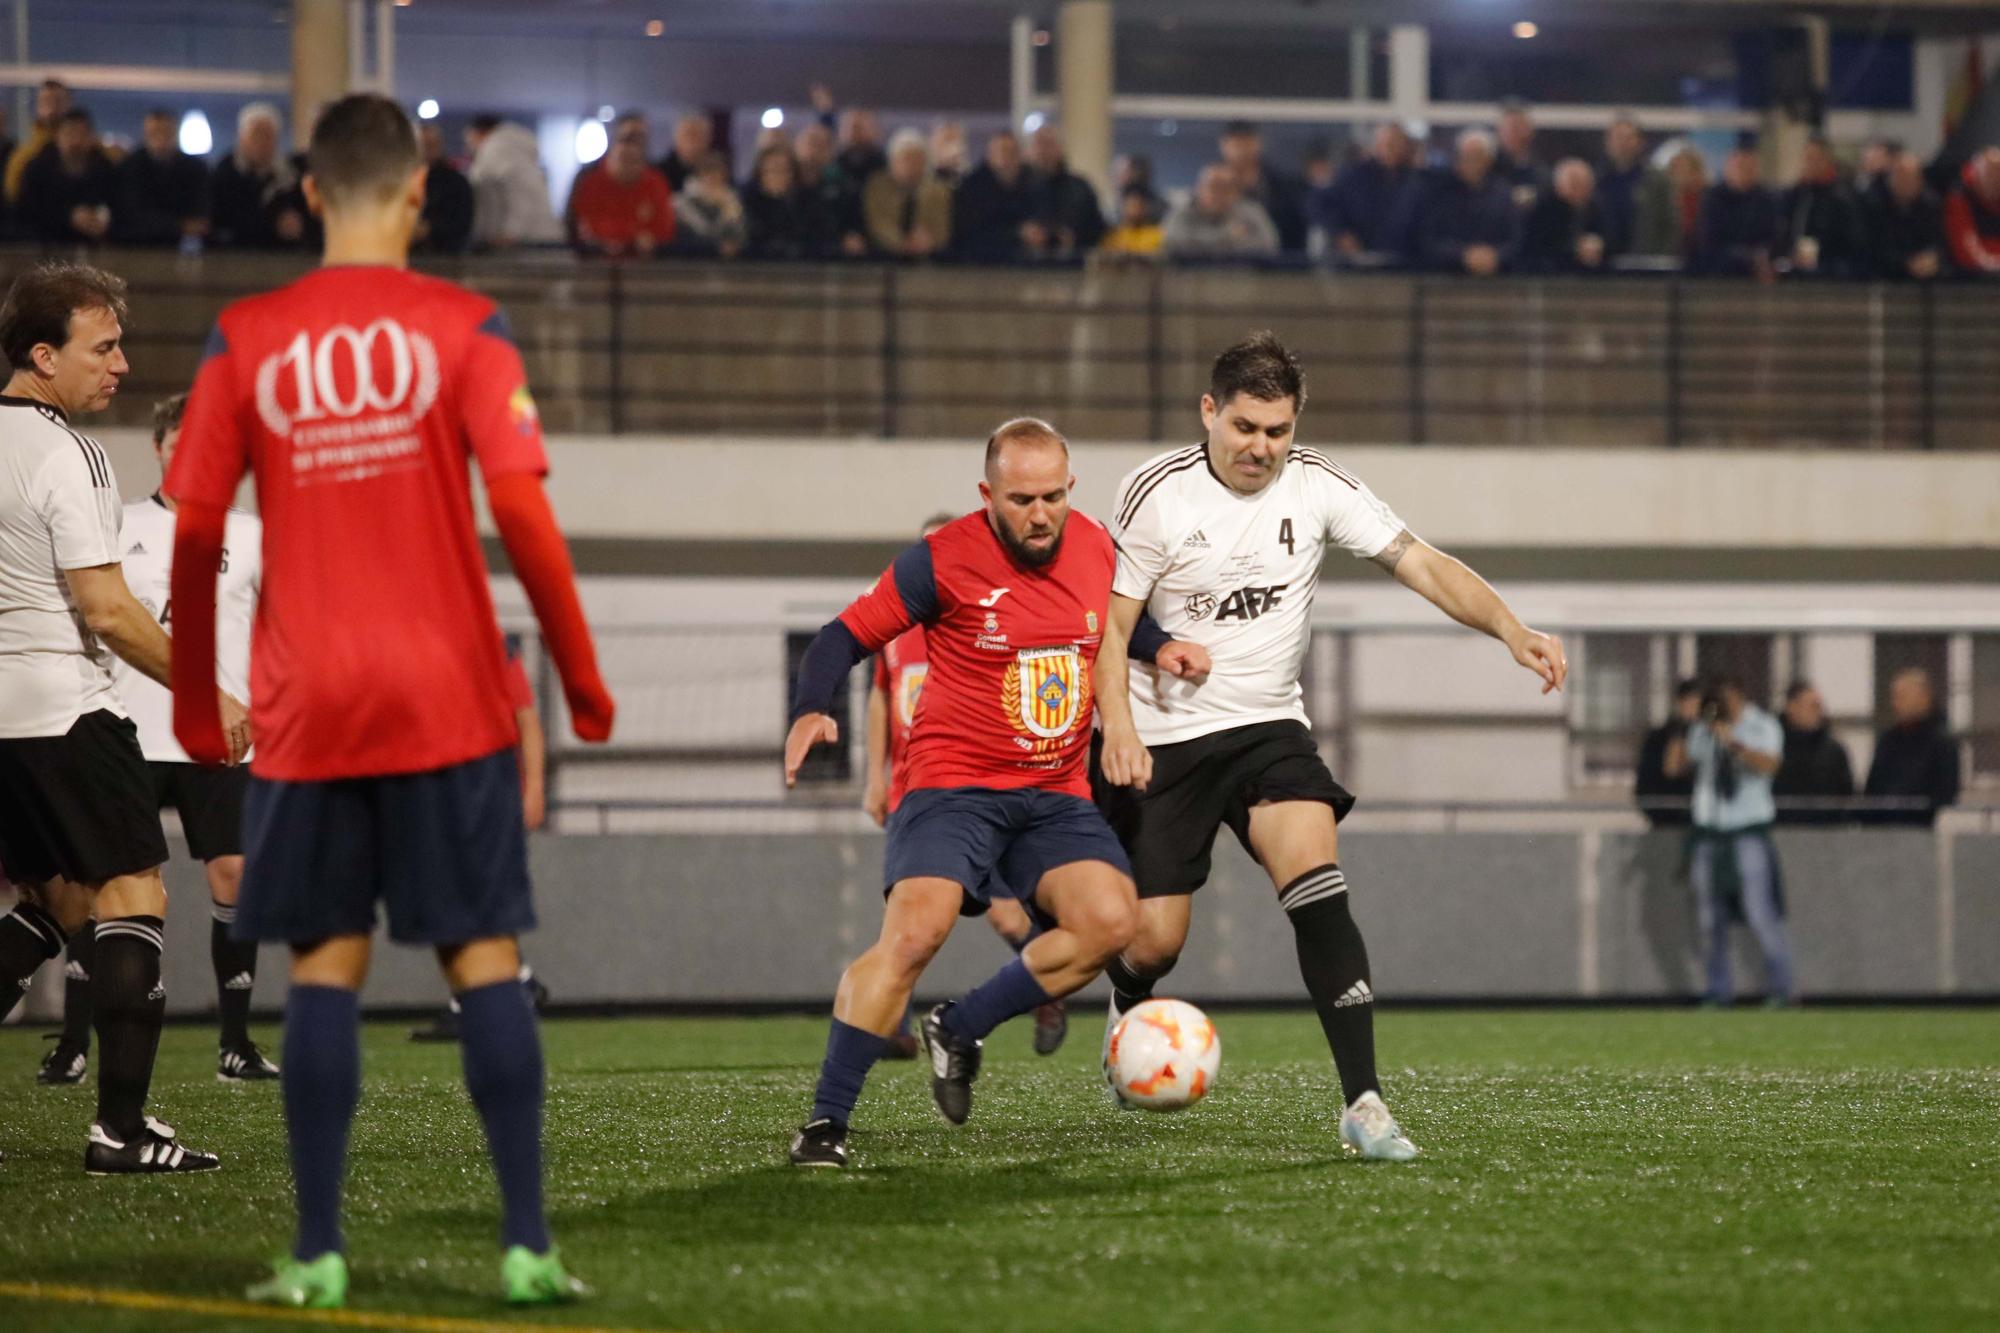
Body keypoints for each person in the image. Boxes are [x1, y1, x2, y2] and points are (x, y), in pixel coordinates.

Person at [164, 92, 614, 1309]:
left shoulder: (242, 336)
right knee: (482, 957)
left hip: (309, 708)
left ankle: (315, 1252)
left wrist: (202, 712)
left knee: (322, 964)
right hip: (445, 699)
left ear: (308, 193)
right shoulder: (467, 325)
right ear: (420, 191)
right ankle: (525, 1247)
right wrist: (578, 675)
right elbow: (522, 512)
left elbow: (196, 531)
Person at [1095, 332, 1568, 1162]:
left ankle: (1364, 1102)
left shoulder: (1316, 486)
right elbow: (1108, 628)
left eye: (1277, 430)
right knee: (1152, 942)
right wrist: (1122, 730)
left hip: (1270, 730)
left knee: (1318, 884)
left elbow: (1419, 561)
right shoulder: (1156, 494)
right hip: (1166, 739)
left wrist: (1510, 627)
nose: (1261, 448)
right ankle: (1128, 995)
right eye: (1245, 427)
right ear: (1209, 411)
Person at [781, 419, 1142, 1169]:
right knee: (914, 935)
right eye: (1020, 499)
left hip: (1053, 791)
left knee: (1112, 922)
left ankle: (961, 1025)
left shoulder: (1097, 544)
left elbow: (1119, 622)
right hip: (953, 785)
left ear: (1070, 489)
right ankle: (825, 1121)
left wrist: (1162, 643)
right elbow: (840, 635)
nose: (1040, 514)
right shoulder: (939, 561)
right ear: (986, 495)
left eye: (1052, 496)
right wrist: (812, 705)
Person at [0, 259, 248, 1174]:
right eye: (102, 348)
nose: (121, 365)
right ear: (41, 354)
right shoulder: (70, 454)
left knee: (50, 903)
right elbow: (105, 610)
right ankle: (122, 1129)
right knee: (133, 894)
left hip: (2, 722)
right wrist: (204, 691)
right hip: (65, 708)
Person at [37, 392, 277, 1090]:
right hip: (130, 726)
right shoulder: (121, 520)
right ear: (161, 447)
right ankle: (73, 1041)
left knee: (234, 873)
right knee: (100, 884)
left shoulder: (253, 533)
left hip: (223, 731)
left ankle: (234, 1042)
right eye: (182, 441)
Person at [408, 638, 553, 1043]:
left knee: (472, 893)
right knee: (458, 893)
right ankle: (506, 986)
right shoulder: (431, 649)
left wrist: (535, 788)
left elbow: (527, 722)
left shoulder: (493, 648)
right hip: (451, 789)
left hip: (491, 792)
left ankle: (491, 992)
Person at [1664, 676, 1793, 1007]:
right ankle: (1718, 990)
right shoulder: (1705, 727)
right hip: (1710, 832)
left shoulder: (1761, 725)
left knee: (1759, 911)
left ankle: (1781, 989)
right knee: (1709, 919)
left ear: (1737, 695)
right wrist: (1685, 724)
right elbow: (1674, 767)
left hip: (1748, 830)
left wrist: (1733, 742)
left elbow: (1770, 765)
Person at [1862, 668, 1959, 826]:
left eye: (1902, 696)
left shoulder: (1942, 744)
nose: (1895, 703)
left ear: (1924, 698)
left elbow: (1945, 794)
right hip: (1882, 831)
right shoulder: (1889, 740)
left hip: (1921, 829)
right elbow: (1872, 788)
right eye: (1894, 697)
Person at [1416, 128, 1518, 275]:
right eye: (1466, 156)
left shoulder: (1504, 194)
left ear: (1489, 159)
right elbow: (1429, 239)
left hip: (1497, 278)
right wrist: (1463, 255)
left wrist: (1495, 255)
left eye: (1477, 156)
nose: (1471, 162)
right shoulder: (1441, 194)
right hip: (1447, 278)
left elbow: (1514, 239)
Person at [568, 119, 674, 258]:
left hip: (644, 267)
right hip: (595, 263)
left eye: (634, 160)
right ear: (610, 158)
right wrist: (630, 235)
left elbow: (664, 228)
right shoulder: (589, 181)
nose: (627, 166)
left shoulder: (655, 183)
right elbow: (586, 225)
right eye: (622, 158)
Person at [1310, 121, 1416, 259]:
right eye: (1386, 144)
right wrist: (1340, 232)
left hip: (1405, 261)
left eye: (1396, 144)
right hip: (1361, 260)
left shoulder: (1416, 180)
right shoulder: (1355, 176)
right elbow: (1317, 202)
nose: (1391, 150)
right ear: (1376, 146)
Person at [209, 103, 304, 249]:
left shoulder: (289, 176)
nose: (261, 143)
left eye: (268, 136)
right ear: (242, 138)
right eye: (256, 135)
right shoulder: (223, 175)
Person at [114, 108, 212, 248]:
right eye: (154, 133)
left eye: (166, 132)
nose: (160, 138)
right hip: (136, 246)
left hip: (180, 248)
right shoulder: (130, 168)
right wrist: (179, 225)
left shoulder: (195, 168)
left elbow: (201, 218)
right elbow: (130, 215)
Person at [19, 108, 117, 246]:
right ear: (57, 136)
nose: (76, 141)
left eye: (82, 134)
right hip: (45, 246)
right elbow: (26, 213)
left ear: (91, 137)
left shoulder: (105, 170)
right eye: (69, 134)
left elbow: (118, 210)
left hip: (94, 247)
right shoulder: (37, 169)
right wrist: (68, 218)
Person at [465, 115, 563, 250]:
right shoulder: (512, 151)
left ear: (479, 133)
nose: (468, 143)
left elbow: (520, 194)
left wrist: (510, 233)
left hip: (529, 244)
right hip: (538, 239)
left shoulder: (499, 151)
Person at [1693, 145, 1782, 279]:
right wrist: (1747, 257)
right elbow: (1710, 242)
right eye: (1740, 166)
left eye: (1750, 168)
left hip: (1757, 274)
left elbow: (1773, 236)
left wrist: (1763, 255)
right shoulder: (1713, 199)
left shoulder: (1766, 200)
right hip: (1720, 273)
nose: (1744, 172)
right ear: (1728, 168)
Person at [1773, 680, 1854, 824]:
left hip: (1825, 832)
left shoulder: (1833, 751)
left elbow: (1847, 794)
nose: (1818, 712)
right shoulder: (1772, 747)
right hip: (1781, 828)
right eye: (1812, 706)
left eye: (1819, 706)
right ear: (1792, 707)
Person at [861, 128, 950, 259]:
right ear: (892, 162)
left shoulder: (938, 191)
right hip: (882, 257)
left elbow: (942, 226)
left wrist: (929, 240)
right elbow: (877, 222)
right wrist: (902, 243)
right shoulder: (877, 186)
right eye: (905, 159)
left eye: (917, 160)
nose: (911, 165)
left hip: (928, 259)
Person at [1218, 120, 1307, 252]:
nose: (1241, 150)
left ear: (1258, 144)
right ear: (1223, 146)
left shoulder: (1285, 188)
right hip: (1222, 265)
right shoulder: (1213, 187)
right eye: (1236, 144)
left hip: (1277, 265)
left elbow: (1296, 233)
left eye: (1247, 143)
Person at [1781, 136, 1863, 277]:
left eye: (1813, 159)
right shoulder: (1799, 194)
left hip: (1830, 275)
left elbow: (1854, 244)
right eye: (1806, 159)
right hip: (1799, 270)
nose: (1807, 164)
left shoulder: (1843, 198)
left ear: (1826, 161)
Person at [951, 130, 1036, 262]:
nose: (1005, 156)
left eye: (1010, 152)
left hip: (1026, 261)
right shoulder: (972, 186)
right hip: (982, 261)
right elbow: (970, 231)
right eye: (1000, 151)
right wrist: (1016, 234)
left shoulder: (1032, 182)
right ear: (990, 154)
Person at [1022, 125, 1106, 258]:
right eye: (1039, 145)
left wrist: (1074, 236)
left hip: (1071, 268)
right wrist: (1023, 233)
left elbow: (1098, 229)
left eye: (1049, 145)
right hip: (1022, 269)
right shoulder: (1017, 189)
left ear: (1060, 149)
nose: (1043, 151)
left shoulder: (1080, 189)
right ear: (1029, 150)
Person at [1163, 164, 1280, 259]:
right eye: (1213, 187)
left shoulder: (1252, 213)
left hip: (1242, 281)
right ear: (1199, 188)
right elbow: (1172, 244)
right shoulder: (1181, 213)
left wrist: (1202, 244)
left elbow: (1269, 247)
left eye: (1226, 188)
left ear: (1236, 192)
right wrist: (1228, 237)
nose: (1219, 194)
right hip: (1189, 282)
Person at [1863, 150, 1946, 281]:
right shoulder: (1873, 204)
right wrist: (1906, 263)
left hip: (1924, 273)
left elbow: (1938, 240)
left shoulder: (1931, 204)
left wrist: (1932, 257)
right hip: (1884, 274)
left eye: (1913, 178)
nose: (1907, 184)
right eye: (1902, 177)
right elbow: (1875, 247)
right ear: (1891, 178)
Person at [1518, 159, 1608, 273]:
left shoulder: (1598, 209)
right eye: (1574, 185)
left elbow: (1610, 240)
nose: (1579, 191)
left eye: (1584, 185)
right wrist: (1575, 250)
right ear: (1558, 187)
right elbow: (1538, 250)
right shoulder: (1543, 211)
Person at [1635, 679, 1700, 827]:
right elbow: (1669, 770)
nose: (1693, 709)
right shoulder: (1659, 738)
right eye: (1689, 702)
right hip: (1664, 817)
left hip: (1698, 820)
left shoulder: (1709, 737)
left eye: (1697, 704)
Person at [4, 78, 71, 208]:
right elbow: (12, 194)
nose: (52, 107)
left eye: (57, 101)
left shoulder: (87, 149)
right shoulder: (25, 156)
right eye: (47, 101)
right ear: (38, 106)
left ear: (68, 104)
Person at [1634, 145, 1707, 258]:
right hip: (1664, 257)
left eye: (1682, 169)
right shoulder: (1661, 199)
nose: (1676, 175)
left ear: (1696, 172)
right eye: (1673, 169)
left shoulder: (1707, 200)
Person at [1595, 116, 1650, 258]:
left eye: (1629, 138)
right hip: (1603, 263)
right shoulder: (1597, 180)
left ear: (1641, 143)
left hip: (1644, 263)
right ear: (1607, 143)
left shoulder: (1656, 182)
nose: (1623, 143)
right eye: (1618, 137)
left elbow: (1667, 225)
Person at [673, 153, 747, 258]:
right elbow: (702, 233)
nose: (713, 179)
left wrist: (730, 209)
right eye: (708, 173)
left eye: (719, 174)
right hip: (691, 265)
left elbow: (741, 237)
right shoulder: (682, 203)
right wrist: (718, 244)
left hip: (726, 269)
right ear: (698, 176)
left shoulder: (733, 201)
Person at [415, 124, 474, 255]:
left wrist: (429, 229)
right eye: (423, 145)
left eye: (431, 145)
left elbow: (461, 223)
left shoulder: (456, 183)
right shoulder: (402, 181)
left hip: (444, 255)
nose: (427, 150)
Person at [1943, 146, 2000, 275]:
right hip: (1972, 282)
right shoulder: (1959, 198)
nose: (1996, 181)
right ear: (1977, 173)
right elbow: (1965, 254)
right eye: (1991, 174)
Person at [1100, 187, 1166, 258]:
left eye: (1139, 206)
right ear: (1124, 207)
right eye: (1132, 206)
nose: (1135, 211)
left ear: (1145, 208)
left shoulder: (1156, 235)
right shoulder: (1113, 236)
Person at [657, 114, 713, 193]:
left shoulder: (717, 172)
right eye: (689, 134)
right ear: (676, 137)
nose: (694, 141)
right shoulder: (659, 173)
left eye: (700, 135)